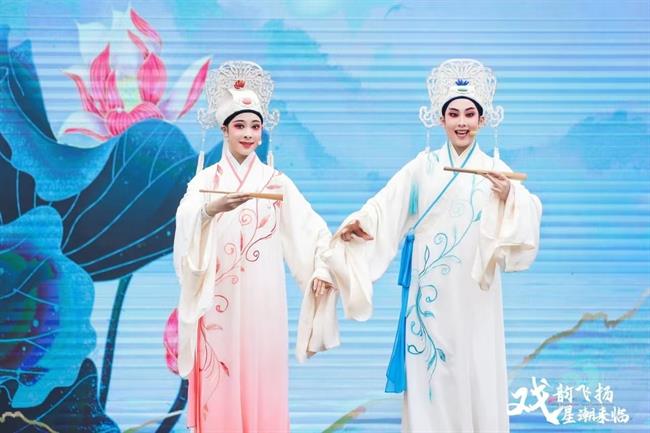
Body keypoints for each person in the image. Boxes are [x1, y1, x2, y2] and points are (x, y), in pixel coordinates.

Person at [326, 58, 542, 432]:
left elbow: (530, 209)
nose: (462, 122)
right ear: (440, 120)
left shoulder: (495, 170)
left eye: (470, 114)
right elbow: (386, 204)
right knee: (432, 377)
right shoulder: (421, 168)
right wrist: (362, 223)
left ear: (482, 120)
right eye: (453, 114)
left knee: (475, 372)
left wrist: (510, 196)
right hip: (429, 298)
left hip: (475, 295)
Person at [172, 61, 338, 433]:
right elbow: (185, 227)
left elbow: (311, 231)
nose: (248, 134)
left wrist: (322, 267)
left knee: (263, 380)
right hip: (219, 306)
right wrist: (208, 212)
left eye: (255, 126)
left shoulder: (276, 183)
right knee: (221, 378)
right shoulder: (204, 182)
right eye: (240, 126)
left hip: (265, 306)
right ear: (224, 130)